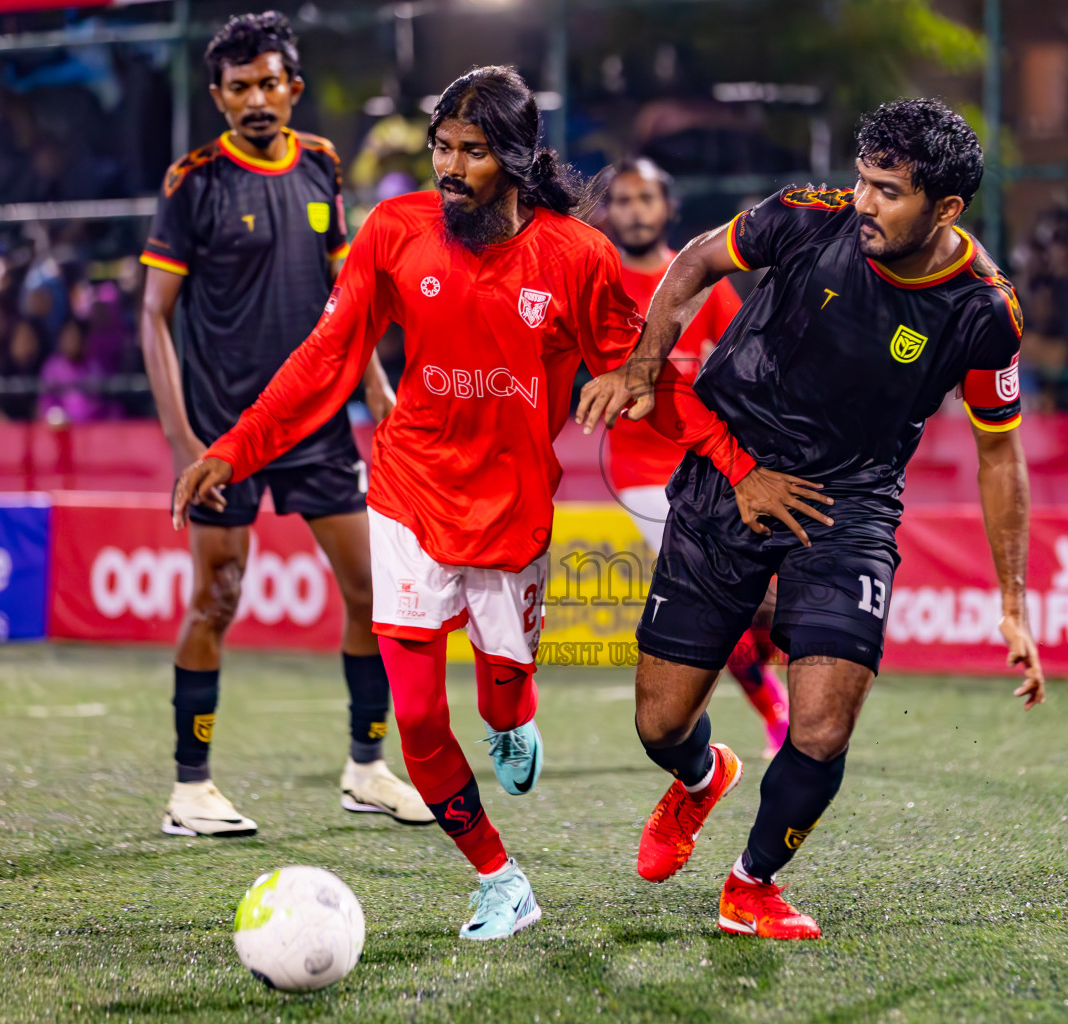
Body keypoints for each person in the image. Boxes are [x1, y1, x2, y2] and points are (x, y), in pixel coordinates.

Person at [171, 65, 714, 940]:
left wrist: (728, 451)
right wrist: (235, 447)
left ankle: (511, 719)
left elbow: (646, 376)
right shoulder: (395, 231)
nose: (450, 168)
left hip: (511, 510)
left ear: (516, 157)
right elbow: (329, 355)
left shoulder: (575, 255)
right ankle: (502, 880)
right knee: (417, 714)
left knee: (503, 702)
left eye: (472, 151)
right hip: (408, 493)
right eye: (442, 148)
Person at [577, 98, 1045, 940]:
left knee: (824, 724)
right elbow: (692, 261)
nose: (864, 202)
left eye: (889, 191)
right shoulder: (805, 217)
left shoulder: (983, 311)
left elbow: (999, 452)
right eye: (864, 181)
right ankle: (698, 778)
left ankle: (752, 882)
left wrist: (1012, 600)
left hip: (850, 505)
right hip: (729, 476)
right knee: (658, 724)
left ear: (945, 209)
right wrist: (646, 362)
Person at [138, 13, 427, 840]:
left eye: (270, 83)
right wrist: (185, 441)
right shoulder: (191, 181)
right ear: (218, 97)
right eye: (239, 88)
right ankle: (190, 790)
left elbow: (354, 302)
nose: (256, 100)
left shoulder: (325, 165)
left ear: (292, 88)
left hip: (321, 426)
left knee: (374, 593)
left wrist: (382, 401)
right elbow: (153, 317)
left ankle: (367, 770)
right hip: (228, 433)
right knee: (218, 597)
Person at [593, 156, 789, 760]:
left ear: (668, 208)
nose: (633, 210)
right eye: (621, 200)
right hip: (643, 477)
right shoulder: (596, 283)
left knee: (763, 602)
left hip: (710, 464)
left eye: (644, 198)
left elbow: (741, 370)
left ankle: (766, 688)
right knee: (719, 597)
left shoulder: (705, 281)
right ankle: (774, 712)